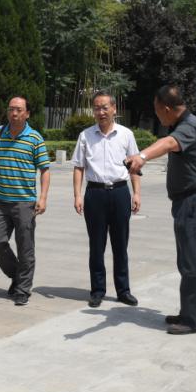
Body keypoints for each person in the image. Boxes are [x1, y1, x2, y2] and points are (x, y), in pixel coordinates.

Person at [126, 85, 196, 336]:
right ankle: (188, 312)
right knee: (187, 261)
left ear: (166, 109)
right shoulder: (182, 125)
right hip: (188, 202)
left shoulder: (190, 126)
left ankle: (194, 321)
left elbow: (167, 144)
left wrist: (142, 156)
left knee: (193, 262)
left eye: (157, 111)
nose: (157, 117)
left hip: (195, 202)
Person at [71, 92, 141, 308]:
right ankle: (97, 290)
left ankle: (123, 290)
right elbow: (79, 167)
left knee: (120, 245)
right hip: (95, 194)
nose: (100, 112)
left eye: (104, 107)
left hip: (120, 193)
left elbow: (135, 167)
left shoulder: (126, 135)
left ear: (114, 109)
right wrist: (77, 195)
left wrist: (136, 193)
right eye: (96, 108)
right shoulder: (85, 136)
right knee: (96, 245)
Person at [0, 95, 51, 306]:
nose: (14, 113)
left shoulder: (35, 138)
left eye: (19, 110)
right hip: (1, 201)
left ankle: (22, 289)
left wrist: (43, 198)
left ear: (27, 113)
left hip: (25, 203)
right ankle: (18, 276)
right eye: (11, 109)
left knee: (25, 247)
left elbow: (45, 170)